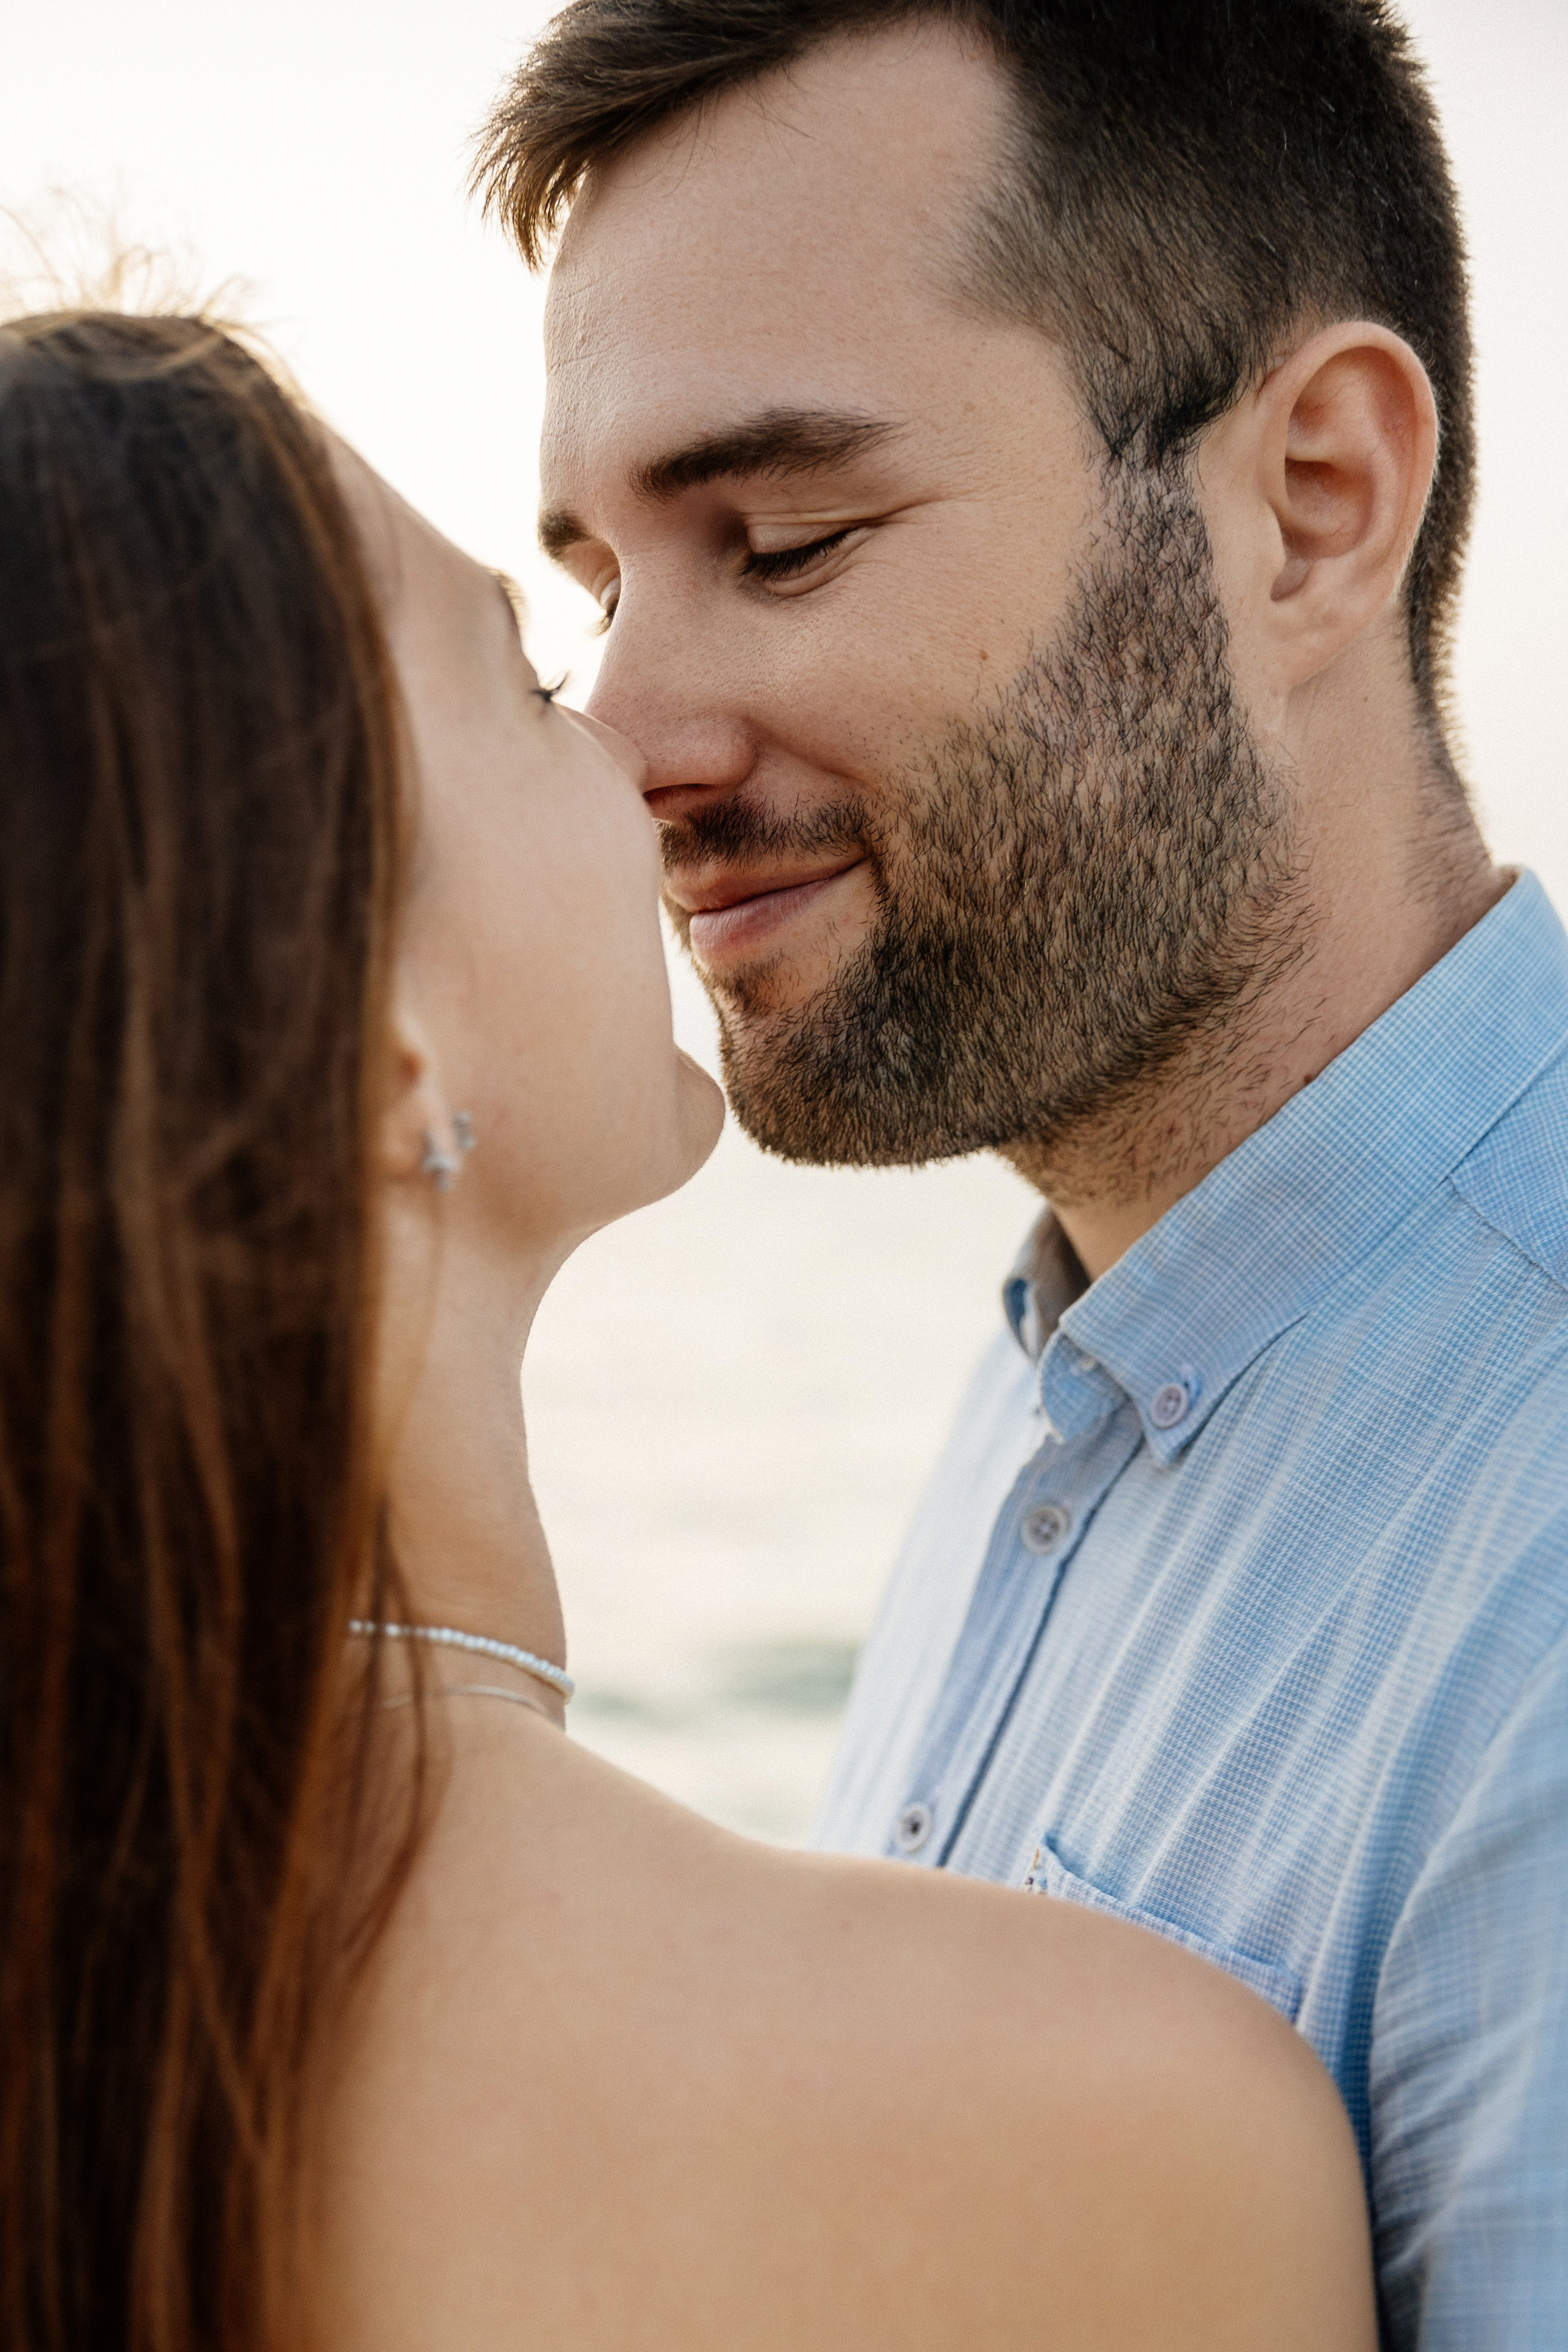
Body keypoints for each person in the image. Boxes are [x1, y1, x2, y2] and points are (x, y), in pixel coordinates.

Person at [0, 309, 1373, 2350]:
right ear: (363, 1054)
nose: (643, 746)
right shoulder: (1096, 2124)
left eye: (788, 549)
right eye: (523, 673)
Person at [475, 1, 1568, 2342]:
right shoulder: (1076, 1357)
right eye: (601, 588)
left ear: (1314, 504)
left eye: (784, 543)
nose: (623, 739)